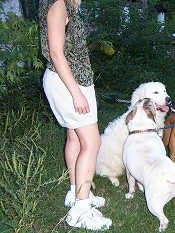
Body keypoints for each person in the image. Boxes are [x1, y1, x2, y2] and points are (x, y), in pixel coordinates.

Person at [39, 0, 112, 230]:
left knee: (75, 138)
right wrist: (76, 94)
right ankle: (80, 211)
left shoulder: (66, 4)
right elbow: (55, 53)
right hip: (69, 83)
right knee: (92, 143)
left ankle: (77, 193)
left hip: (73, 80)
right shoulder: (58, 4)